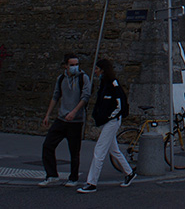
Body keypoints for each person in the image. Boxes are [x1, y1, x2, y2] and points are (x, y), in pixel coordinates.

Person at [78, 59, 135, 193]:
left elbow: (119, 104)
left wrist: (109, 116)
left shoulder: (112, 84)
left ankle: (92, 182)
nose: (95, 71)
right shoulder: (105, 83)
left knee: (99, 150)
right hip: (109, 120)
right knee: (114, 150)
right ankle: (129, 172)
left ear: (103, 70)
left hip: (112, 121)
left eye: (97, 69)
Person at [39, 53, 92, 187]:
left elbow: (85, 97)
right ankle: (51, 175)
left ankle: (73, 178)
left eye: (76, 64)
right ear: (66, 66)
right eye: (72, 65)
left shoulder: (83, 78)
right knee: (48, 145)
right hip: (62, 118)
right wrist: (47, 115)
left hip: (76, 121)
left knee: (74, 151)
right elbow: (55, 96)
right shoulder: (61, 78)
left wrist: (74, 112)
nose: (75, 67)